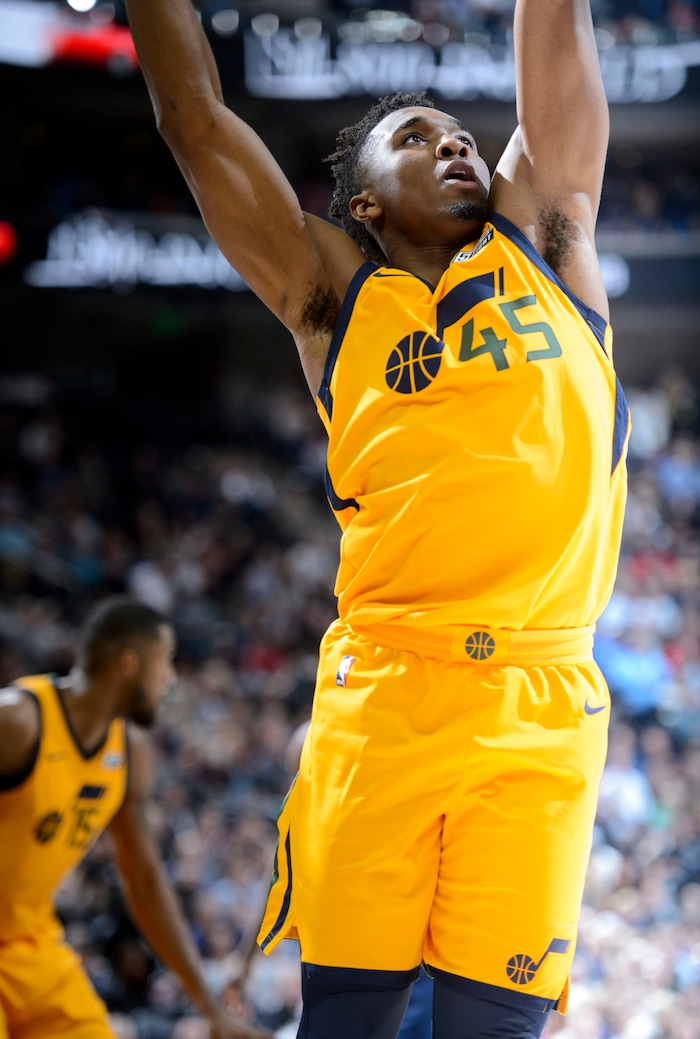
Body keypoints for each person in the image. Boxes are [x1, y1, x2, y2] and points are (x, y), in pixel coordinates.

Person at [123, 0, 630, 1035]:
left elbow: (556, 55)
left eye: (461, 135)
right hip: (386, 691)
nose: (453, 142)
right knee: (347, 1023)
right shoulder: (328, 297)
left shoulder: (547, 238)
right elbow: (194, 118)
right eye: (416, 136)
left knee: (494, 1027)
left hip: (538, 701)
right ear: (362, 205)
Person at [0, 597, 269, 1039]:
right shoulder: (18, 721)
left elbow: (144, 880)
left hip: (30, 943)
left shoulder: (129, 753)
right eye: (164, 662)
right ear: (128, 664)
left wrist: (208, 1006)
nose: (170, 678)